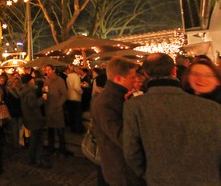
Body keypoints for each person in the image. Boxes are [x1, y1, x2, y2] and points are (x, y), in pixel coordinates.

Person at [123, 53, 221, 185]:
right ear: (174, 70)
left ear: (145, 74)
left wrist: (148, 173)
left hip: (160, 180)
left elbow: (131, 152)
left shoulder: (134, 106)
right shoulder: (212, 108)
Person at [91, 56, 144, 186]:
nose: (134, 81)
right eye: (132, 78)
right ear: (118, 78)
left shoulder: (119, 96)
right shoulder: (106, 102)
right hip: (121, 169)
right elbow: (122, 137)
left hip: (124, 167)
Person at [20, 74, 50, 168]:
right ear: (29, 82)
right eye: (32, 80)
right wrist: (43, 99)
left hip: (29, 119)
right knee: (38, 140)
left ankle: (32, 158)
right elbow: (33, 105)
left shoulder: (25, 91)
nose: (34, 82)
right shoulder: (29, 93)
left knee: (34, 139)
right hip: (35, 119)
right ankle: (38, 159)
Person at [43, 64, 71, 157]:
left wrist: (58, 104)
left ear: (53, 70)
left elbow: (65, 94)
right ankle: (51, 148)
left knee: (60, 130)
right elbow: (45, 92)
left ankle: (62, 149)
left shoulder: (59, 80)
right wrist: (43, 92)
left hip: (57, 109)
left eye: (49, 70)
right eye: (46, 70)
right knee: (50, 130)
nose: (47, 72)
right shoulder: (46, 80)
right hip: (48, 108)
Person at [65, 65, 85, 134]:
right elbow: (76, 87)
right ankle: (78, 129)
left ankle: (72, 128)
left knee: (71, 115)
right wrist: (81, 92)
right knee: (77, 115)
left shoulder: (68, 77)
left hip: (69, 97)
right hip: (76, 97)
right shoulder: (76, 77)